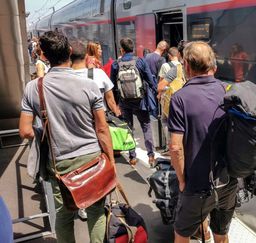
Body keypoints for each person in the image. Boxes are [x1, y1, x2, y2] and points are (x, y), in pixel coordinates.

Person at [19, 31, 114, 243]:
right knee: (96, 212)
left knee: (63, 214)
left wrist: (47, 129)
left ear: (43, 55)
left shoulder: (34, 88)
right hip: (91, 158)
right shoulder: (89, 85)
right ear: (70, 52)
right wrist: (110, 160)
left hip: (60, 163)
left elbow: (25, 130)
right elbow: (101, 128)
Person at [169, 41, 238, 243]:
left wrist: (182, 181)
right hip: (228, 181)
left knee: (182, 234)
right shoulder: (229, 91)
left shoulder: (180, 98)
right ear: (213, 66)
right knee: (221, 233)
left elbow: (175, 147)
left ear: (187, 66)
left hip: (198, 185)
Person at [110, 38, 156, 167]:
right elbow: (150, 80)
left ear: (122, 50)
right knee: (146, 126)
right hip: (141, 101)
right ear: (133, 49)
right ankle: (151, 155)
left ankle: (132, 157)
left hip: (124, 102)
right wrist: (155, 91)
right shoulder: (140, 61)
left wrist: (115, 103)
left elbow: (112, 85)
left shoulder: (116, 64)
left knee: (129, 128)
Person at [71, 40, 121, 116]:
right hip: (98, 111)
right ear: (93, 50)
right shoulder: (93, 62)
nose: (101, 51)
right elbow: (110, 99)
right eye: (99, 49)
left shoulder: (94, 60)